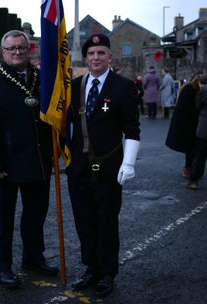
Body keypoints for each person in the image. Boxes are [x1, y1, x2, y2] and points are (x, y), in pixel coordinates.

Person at [0, 30, 58, 289]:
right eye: (12, 48)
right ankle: (2, 267)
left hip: (38, 162)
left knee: (35, 218)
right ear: (3, 52)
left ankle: (33, 259)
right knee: (2, 221)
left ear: (29, 49)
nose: (17, 52)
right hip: (5, 166)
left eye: (22, 47)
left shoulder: (41, 78)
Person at [66, 34, 140, 297]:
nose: (96, 58)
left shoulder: (123, 86)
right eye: (91, 54)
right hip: (78, 168)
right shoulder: (74, 86)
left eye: (101, 53)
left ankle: (107, 273)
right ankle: (91, 269)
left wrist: (129, 164)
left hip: (108, 168)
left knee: (107, 221)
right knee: (84, 221)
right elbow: (66, 125)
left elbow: (132, 129)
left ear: (110, 56)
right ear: (85, 58)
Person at [185, 65, 207, 190]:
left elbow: (197, 105)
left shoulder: (206, 88)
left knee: (200, 154)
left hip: (206, 125)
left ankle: (193, 180)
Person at [165, 74, 200, 178]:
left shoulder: (187, 89)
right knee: (191, 148)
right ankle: (189, 168)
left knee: (191, 148)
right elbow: (190, 108)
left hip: (186, 122)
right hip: (188, 123)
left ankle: (190, 168)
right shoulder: (190, 90)